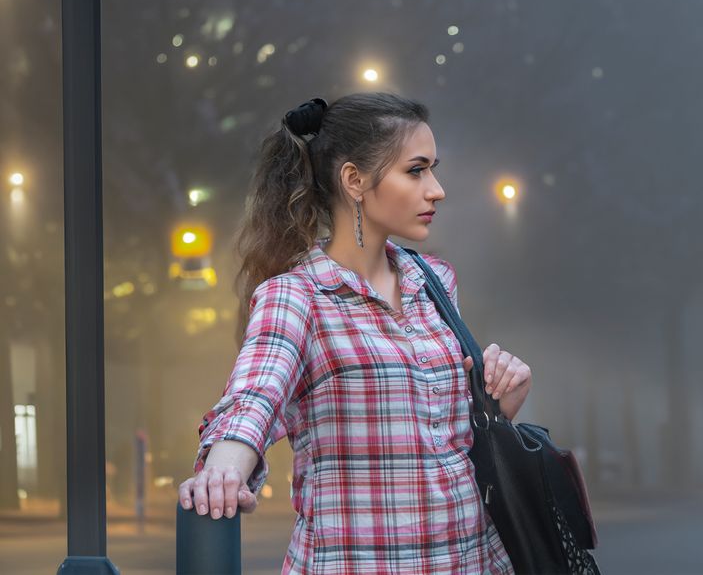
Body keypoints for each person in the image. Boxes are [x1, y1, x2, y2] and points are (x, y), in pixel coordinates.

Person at [176, 92, 532, 574]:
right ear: (354, 180)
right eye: (416, 170)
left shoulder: (436, 282)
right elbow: (253, 398)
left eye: (433, 169)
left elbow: (443, 437)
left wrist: (498, 402)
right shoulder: (297, 296)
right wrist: (223, 470)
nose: (436, 189)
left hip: (472, 560)